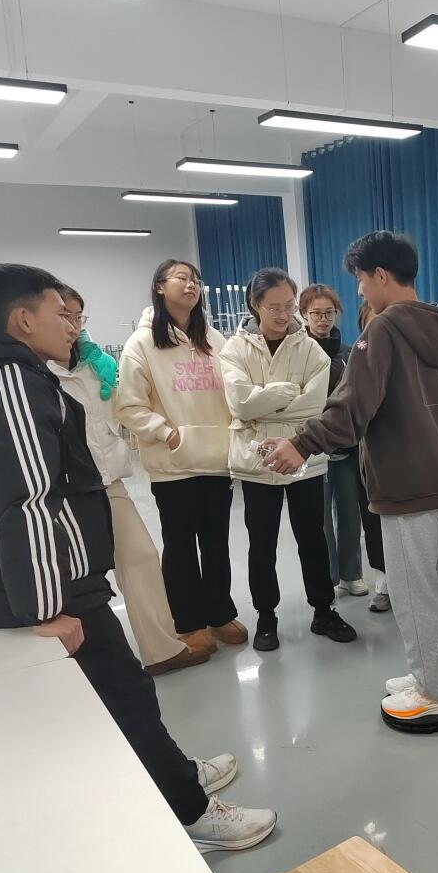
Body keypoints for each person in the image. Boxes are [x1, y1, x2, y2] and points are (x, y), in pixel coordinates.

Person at [0, 263, 275, 851]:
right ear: (24, 319)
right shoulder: (7, 386)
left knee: (124, 692)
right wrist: (48, 607)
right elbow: (28, 504)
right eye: (61, 313)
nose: (73, 325)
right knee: (125, 692)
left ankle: (173, 771)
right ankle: (191, 811)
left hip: (33, 581)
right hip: (47, 589)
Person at [260, 231, 438, 729]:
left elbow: (350, 407)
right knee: (431, 588)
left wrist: (301, 443)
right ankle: (437, 673)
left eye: (361, 279)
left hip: (404, 483)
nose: (359, 290)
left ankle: (434, 693)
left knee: (413, 593)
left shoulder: (381, 331)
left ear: (381, 275)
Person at [50, 286, 211, 676]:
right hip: (62, 493)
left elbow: (117, 414)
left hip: (108, 481)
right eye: (64, 316)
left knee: (141, 557)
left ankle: (162, 650)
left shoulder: (95, 365)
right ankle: (70, 666)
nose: (73, 326)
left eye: (78, 317)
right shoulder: (34, 373)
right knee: (72, 579)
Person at [219, 269, 357, 652]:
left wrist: (264, 402)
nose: (283, 315)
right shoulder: (234, 349)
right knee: (261, 544)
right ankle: (266, 616)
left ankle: (323, 609)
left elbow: (315, 404)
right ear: (255, 306)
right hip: (257, 460)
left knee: (312, 538)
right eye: (274, 307)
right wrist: (288, 392)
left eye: (288, 306)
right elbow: (240, 403)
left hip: (303, 455)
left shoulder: (310, 348)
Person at [116, 260, 246, 655]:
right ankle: (188, 621)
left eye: (195, 280)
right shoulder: (142, 344)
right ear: (159, 287)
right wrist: (168, 433)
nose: (191, 286)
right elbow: (129, 406)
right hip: (173, 466)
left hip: (216, 459)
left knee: (217, 543)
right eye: (182, 278)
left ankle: (220, 613)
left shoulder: (214, 338)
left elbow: (233, 391)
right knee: (180, 545)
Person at [300, 283, 371, 599]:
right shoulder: (298, 353)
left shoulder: (349, 353)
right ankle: (327, 575)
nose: (322, 319)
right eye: (316, 313)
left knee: (349, 513)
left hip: (346, 446)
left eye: (328, 313)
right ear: (304, 315)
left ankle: (351, 574)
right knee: (319, 518)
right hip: (311, 447)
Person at [355, 301, 391, 614]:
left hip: (406, 462)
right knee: (373, 521)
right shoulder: (359, 361)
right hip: (369, 456)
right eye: (372, 323)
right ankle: (383, 582)